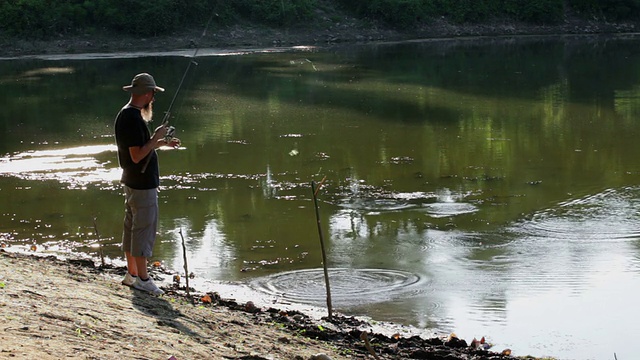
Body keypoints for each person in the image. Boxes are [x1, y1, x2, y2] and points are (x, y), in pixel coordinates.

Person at [114, 73, 180, 295]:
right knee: (143, 229)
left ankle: (131, 274)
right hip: (142, 185)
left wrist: (161, 143)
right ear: (147, 93)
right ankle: (143, 279)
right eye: (153, 93)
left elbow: (141, 149)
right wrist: (155, 138)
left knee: (132, 228)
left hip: (134, 182)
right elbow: (136, 155)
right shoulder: (132, 118)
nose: (153, 98)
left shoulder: (128, 115)